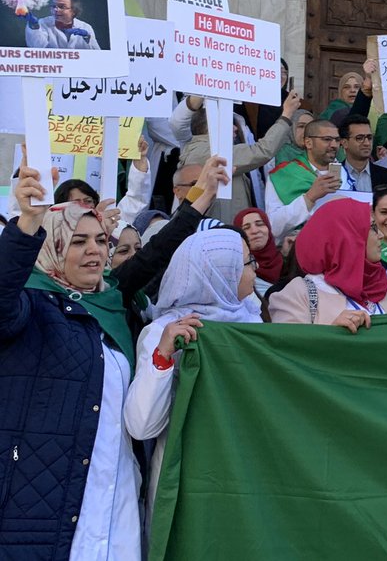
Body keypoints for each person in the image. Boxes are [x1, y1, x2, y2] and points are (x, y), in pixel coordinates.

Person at [0, 155, 227, 560]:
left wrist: (201, 197)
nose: (95, 252)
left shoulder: (108, 301)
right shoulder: (28, 306)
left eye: (102, 241)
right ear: (51, 247)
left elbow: (154, 254)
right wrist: (27, 225)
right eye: (78, 241)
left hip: (115, 496)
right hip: (40, 503)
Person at [123, 228, 261, 521]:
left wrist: (333, 333)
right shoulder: (164, 332)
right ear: (221, 273)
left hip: (248, 469)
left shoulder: (253, 320)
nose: (255, 270)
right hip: (189, 477)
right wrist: (162, 358)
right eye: (247, 263)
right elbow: (141, 426)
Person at [268, 200, 387, 326]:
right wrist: (332, 332)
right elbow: (286, 346)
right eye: (373, 227)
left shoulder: (379, 286)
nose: (381, 235)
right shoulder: (297, 295)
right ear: (347, 236)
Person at [179, 91, 302, 222]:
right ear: (211, 127)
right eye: (228, 123)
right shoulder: (207, 153)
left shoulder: (204, 149)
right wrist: (286, 114)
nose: (235, 128)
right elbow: (262, 151)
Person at [265, 118, 347, 234]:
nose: (334, 145)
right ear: (308, 142)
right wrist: (309, 198)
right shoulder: (283, 174)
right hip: (297, 246)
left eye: (337, 140)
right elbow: (273, 225)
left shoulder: (345, 173)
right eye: (327, 139)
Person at [338, 114, 387, 193]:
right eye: (359, 138)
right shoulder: (333, 176)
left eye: (369, 138)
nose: (367, 143)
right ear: (344, 143)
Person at [22, 0, 99, 49]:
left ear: (74, 11)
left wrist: (87, 38)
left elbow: (97, 54)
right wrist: (34, 26)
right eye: (53, 6)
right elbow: (37, 48)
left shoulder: (85, 27)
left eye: (62, 6)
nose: (55, 9)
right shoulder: (42, 23)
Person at [234, 207, 286, 287]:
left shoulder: (287, 264)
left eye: (260, 224)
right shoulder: (238, 273)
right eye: (246, 228)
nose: (255, 231)